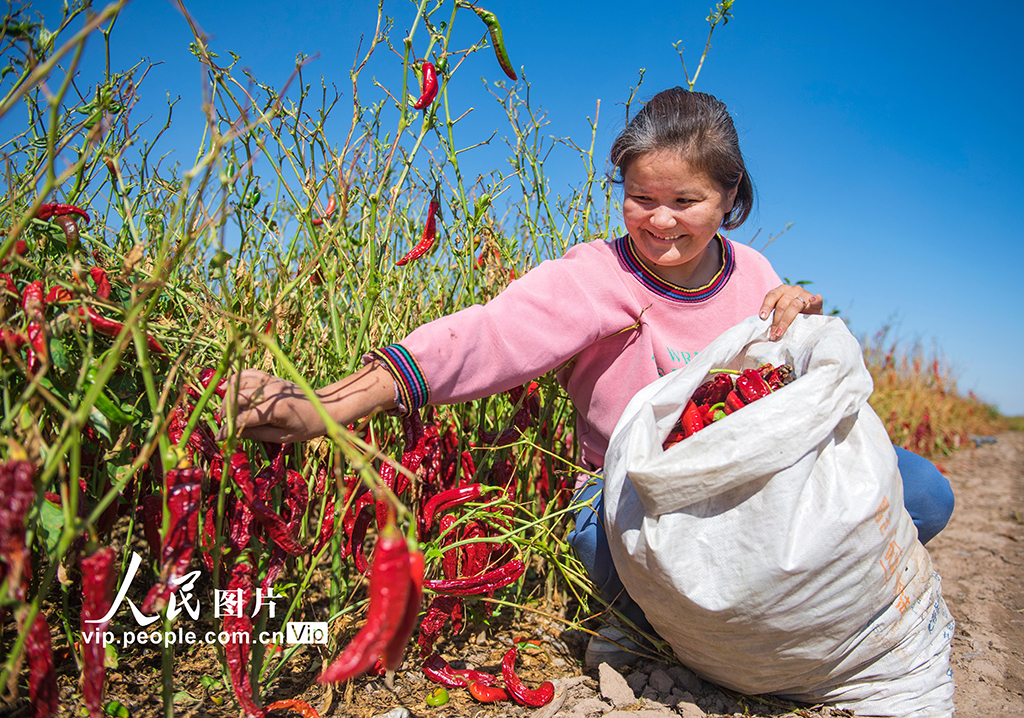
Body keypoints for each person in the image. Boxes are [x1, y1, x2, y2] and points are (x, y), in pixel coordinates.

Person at [223, 87, 954, 663]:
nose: (660, 222)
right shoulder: (597, 278)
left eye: (685, 202)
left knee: (920, 492)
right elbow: (484, 337)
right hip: (636, 490)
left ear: (730, 198)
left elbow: (779, 370)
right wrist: (324, 406)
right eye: (642, 198)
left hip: (748, 479)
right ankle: (737, 617)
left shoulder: (754, 270)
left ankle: (782, 606)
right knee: (609, 550)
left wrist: (800, 311)